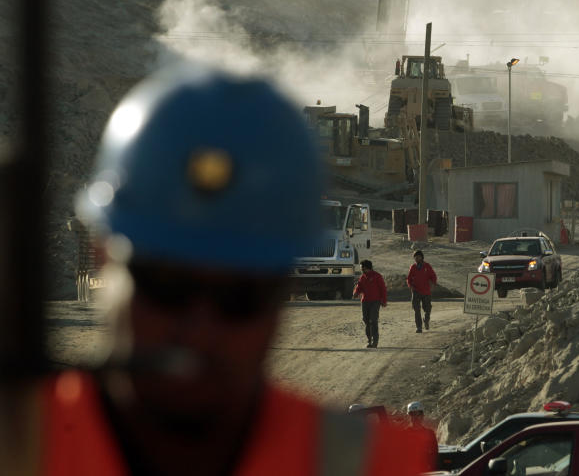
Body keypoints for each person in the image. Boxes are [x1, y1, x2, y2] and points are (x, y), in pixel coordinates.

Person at [39, 66, 431, 475]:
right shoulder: (21, 444)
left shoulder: (363, 465)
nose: (199, 329)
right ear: (104, 255)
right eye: (168, 286)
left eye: (239, 297)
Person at [353, 259, 387, 348]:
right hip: (365, 301)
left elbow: (383, 289)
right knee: (366, 320)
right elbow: (359, 286)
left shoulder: (377, 276)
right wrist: (356, 292)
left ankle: (375, 341)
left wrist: (384, 300)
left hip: (375, 302)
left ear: (368, 268)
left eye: (363, 268)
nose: (361, 270)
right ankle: (369, 340)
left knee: (373, 321)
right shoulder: (362, 277)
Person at [406, 249, 437, 332]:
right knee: (416, 309)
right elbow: (408, 278)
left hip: (426, 291)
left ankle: (426, 320)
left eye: (418, 257)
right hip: (416, 291)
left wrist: (433, 284)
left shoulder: (427, 266)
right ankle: (419, 327)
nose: (417, 259)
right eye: (415, 257)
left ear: (422, 257)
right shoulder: (413, 267)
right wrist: (410, 286)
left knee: (427, 309)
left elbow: (433, 276)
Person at [406, 401, 439, 470]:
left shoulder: (430, 434)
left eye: (418, 414)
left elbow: (434, 454)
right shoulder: (403, 435)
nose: (416, 418)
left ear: (422, 416)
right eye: (413, 414)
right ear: (409, 416)